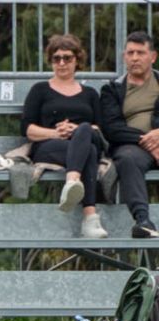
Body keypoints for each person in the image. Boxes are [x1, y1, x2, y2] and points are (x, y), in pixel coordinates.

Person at [22, 32, 108, 239]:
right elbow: (27, 129)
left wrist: (77, 130)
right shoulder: (40, 90)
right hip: (52, 144)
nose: (62, 63)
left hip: (86, 138)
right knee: (89, 151)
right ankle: (90, 217)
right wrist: (56, 132)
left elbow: (100, 128)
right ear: (51, 61)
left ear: (77, 60)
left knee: (86, 130)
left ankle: (72, 181)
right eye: (56, 58)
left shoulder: (90, 94)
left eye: (67, 58)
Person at [100, 30, 159, 239]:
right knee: (127, 158)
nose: (134, 58)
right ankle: (143, 221)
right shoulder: (112, 89)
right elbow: (111, 128)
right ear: (124, 56)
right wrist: (149, 140)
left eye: (140, 53)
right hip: (133, 148)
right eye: (130, 53)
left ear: (153, 56)